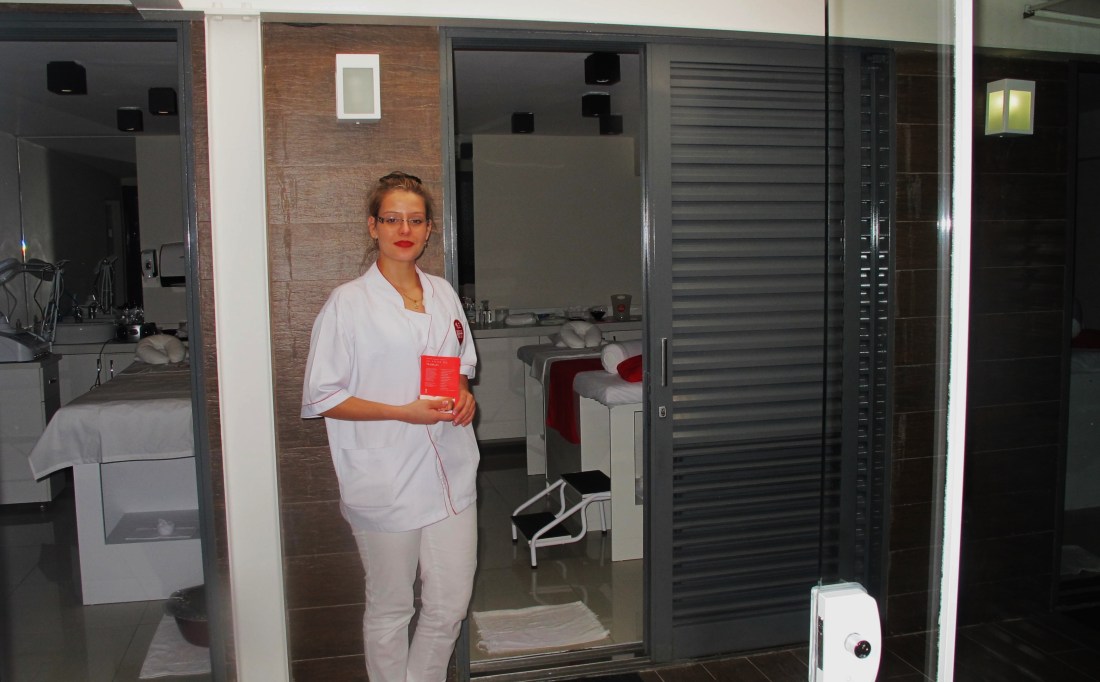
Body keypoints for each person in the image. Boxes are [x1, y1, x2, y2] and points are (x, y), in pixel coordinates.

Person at [301, 171, 479, 682]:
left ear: (429, 229)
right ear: (372, 226)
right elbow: (324, 396)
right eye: (392, 219)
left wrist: (462, 394)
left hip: (451, 472)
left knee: (449, 605)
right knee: (391, 607)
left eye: (416, 220)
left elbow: (454, 365)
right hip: (386, 477)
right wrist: (402, 412)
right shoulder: (348, 303)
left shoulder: (442, 293)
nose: (405, 229)